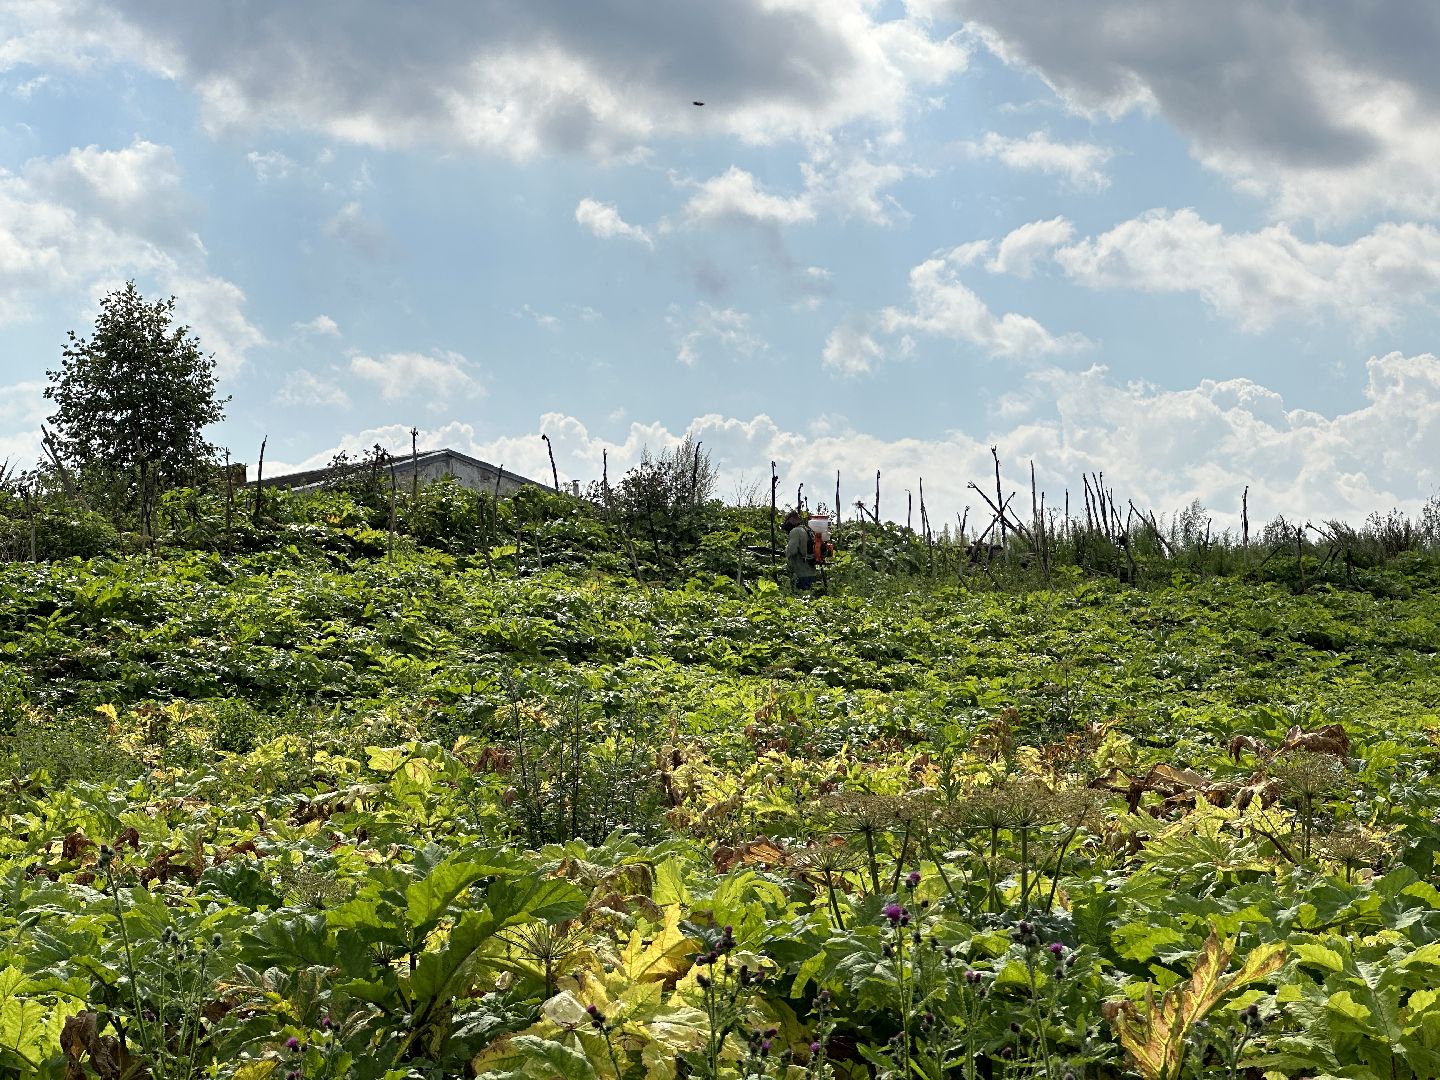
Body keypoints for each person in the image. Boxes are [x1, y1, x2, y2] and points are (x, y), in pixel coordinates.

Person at [784, 509, 818, 593]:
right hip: (812, 573)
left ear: (791, 519)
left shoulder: (795, 531)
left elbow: (791, 550)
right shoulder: (807, 530)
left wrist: (785, 550)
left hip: (802, 574)